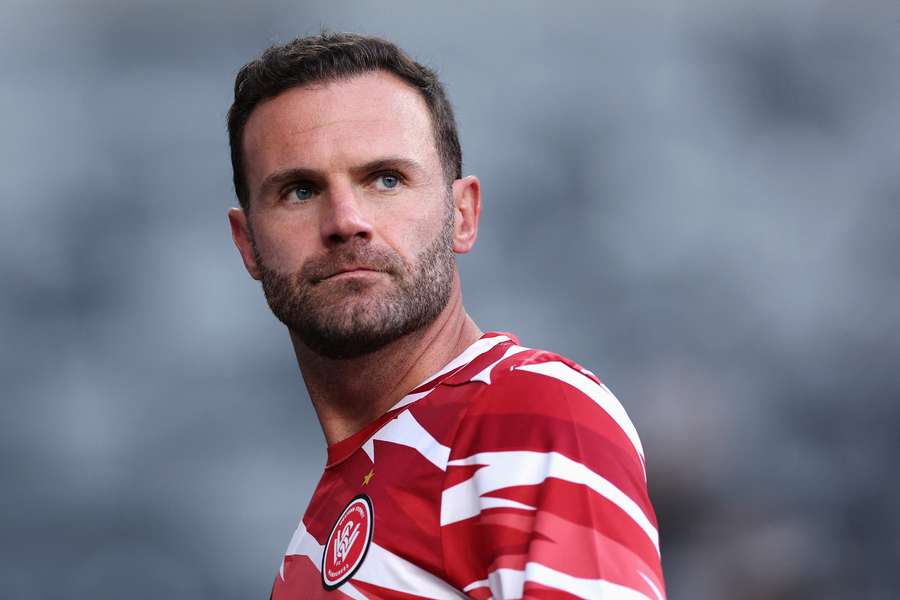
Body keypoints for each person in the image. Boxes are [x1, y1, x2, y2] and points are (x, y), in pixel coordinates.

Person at [227, 31, 666, 599]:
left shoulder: (528, 414)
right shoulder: (315, 535)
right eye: (300, 190)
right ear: (247, 244)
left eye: (386, 179)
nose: (345, 219)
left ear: (462, 214)